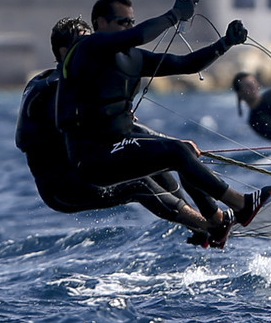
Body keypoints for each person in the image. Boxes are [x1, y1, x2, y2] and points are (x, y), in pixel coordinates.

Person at [58, 0, 271, 247]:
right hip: (94, 157)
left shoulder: (132, 58)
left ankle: (216, 223)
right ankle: (241, 205)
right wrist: (174, 15)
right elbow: (138, 35)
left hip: (117, 146)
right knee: (175, 152)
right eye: (122, 22)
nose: (129, 27)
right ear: (100, 23)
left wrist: (225, 43)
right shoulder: (87, 49)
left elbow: (186, 64)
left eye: (131, 22)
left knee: (182, 151)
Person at [17, 16, 220, 241]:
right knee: (138, 184)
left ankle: (206, 222)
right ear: (64, 52)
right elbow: (57, 124)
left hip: (87, 167)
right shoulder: (50, 89)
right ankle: (208, 227)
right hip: (62, 187)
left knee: (161, 155)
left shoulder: (70, 82)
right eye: (83, 44)